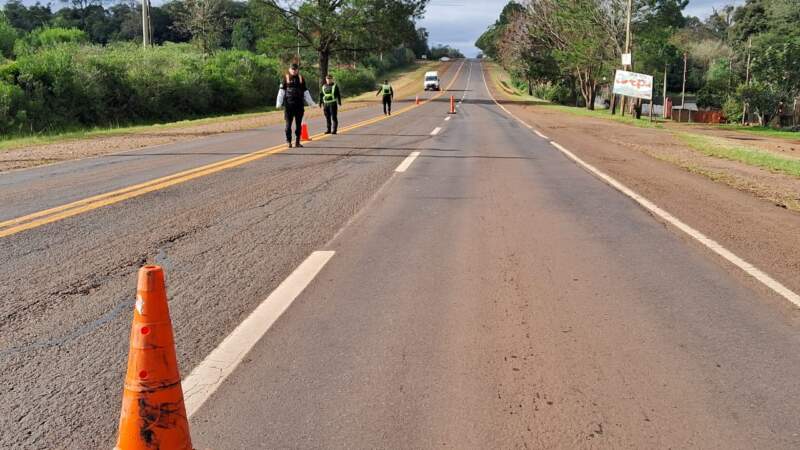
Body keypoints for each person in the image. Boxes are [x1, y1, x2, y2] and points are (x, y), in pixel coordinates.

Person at [276, 63, 316, 148]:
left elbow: (306, 92)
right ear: (289, 69)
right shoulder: (285, 78)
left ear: (297, 70)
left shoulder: (301, 78)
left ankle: (297, 142)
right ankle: (288, 141)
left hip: (299, 106)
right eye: (292, 69)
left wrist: (311, 103)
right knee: (288, 125)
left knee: (298, 125)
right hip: (289, 106)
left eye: (295, 69)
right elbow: (281, 92)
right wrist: (279, 103)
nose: (294, 71)